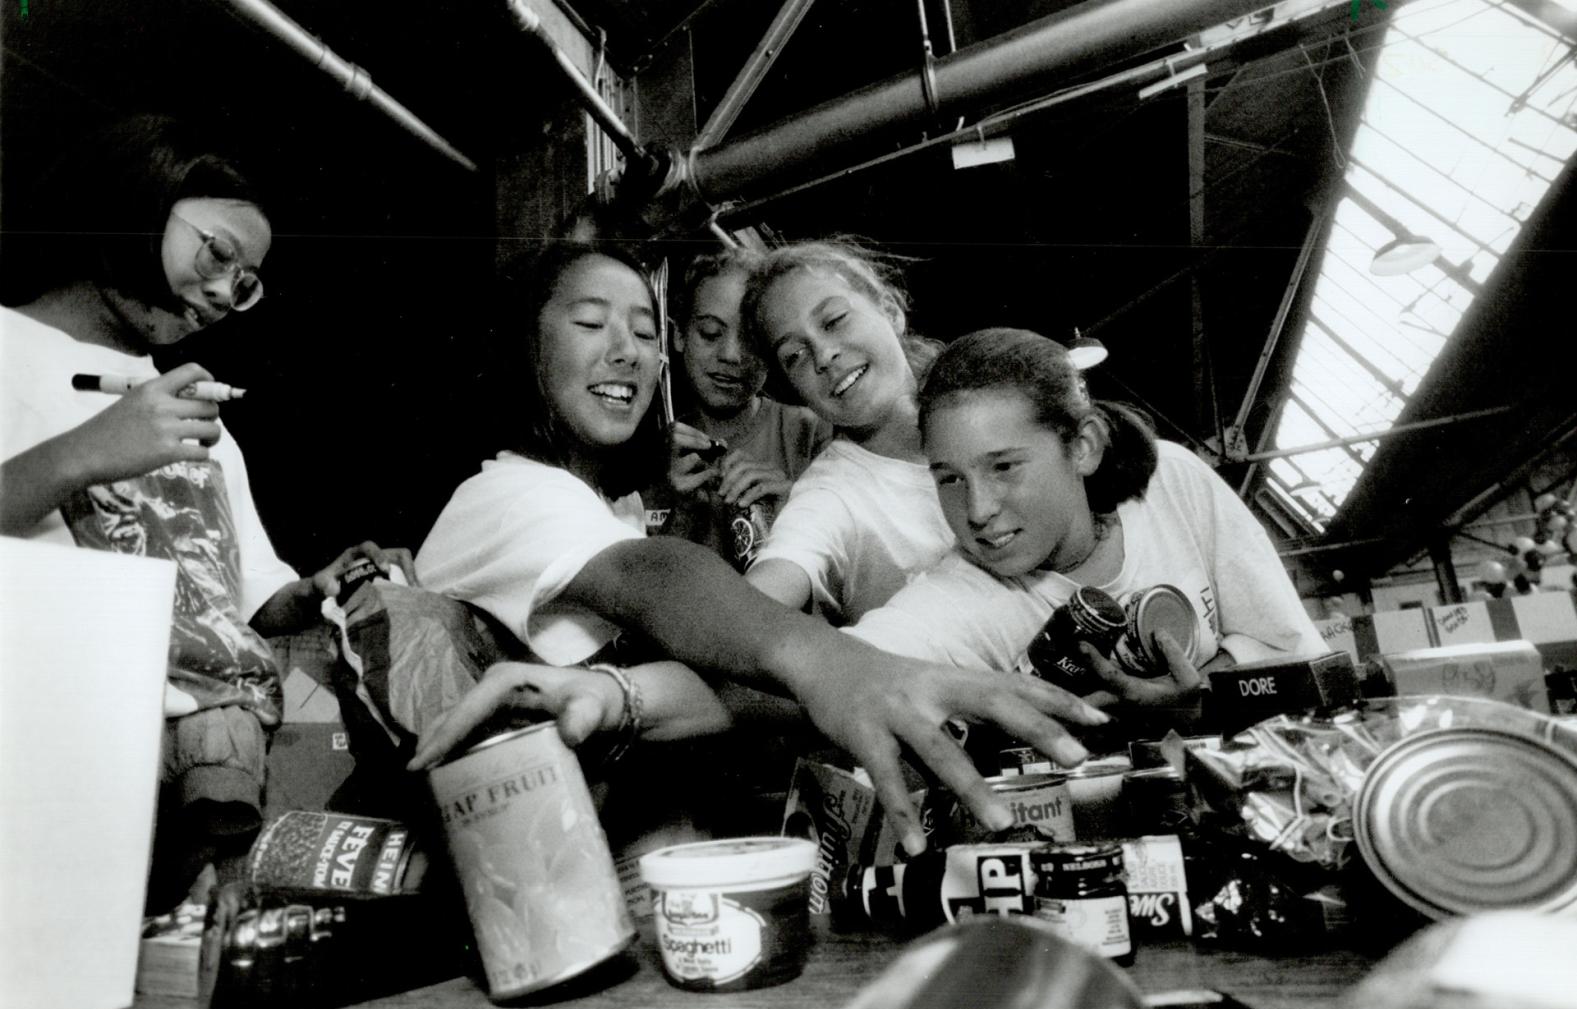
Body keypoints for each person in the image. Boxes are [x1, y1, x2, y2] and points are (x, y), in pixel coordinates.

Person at [410, 242, 1109, 854]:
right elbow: (662, 579)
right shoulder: (507, 496)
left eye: (642, 331)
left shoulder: (605, 512)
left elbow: (721, 658)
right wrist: (839, 669)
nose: (626, 349)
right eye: (591, 323)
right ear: (526, 347)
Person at [0, 115, 415, 902]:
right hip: (41, 785)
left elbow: (246, 604)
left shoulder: (198, 412)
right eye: (216, 253)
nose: (224, 293)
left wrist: (321, 586)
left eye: (246, 280)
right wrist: (87, 452)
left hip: (194, 790)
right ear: (137, 201)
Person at [845, 327, 1327, 706]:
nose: (977, 511)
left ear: (1083, 446)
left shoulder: (1170, 480)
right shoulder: (955, 596)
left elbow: (1293, 648)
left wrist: (1197, 693)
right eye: (949, 478)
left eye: (1004, 466)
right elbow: (829, 671)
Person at [738, 240, 954, 624]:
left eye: (834, 320)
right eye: (795, 356)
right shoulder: (829, 496)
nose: (823, 355)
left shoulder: (982, 405)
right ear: (796, 393)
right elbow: (760, 601)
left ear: (890, 311)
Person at [658, 248, 832, 567]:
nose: (732, 355)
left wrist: (796, 512)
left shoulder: (813, 433)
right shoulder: (649, 453)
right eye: (710, 333)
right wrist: (681, 516)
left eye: (751, 340)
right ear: (679, 335)